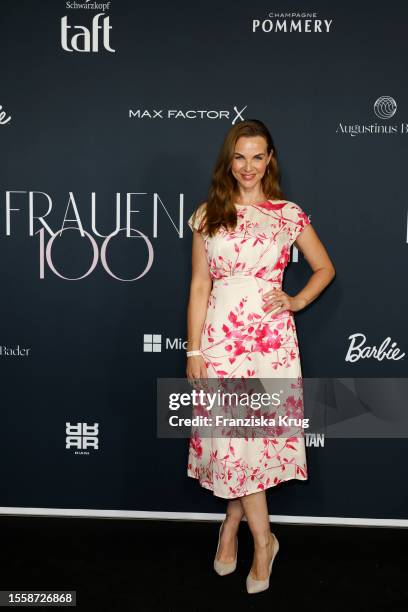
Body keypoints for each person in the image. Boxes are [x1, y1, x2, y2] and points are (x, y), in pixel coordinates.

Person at [186, 119, 335, 594]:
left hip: (271, 340)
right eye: (239, 156)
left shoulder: (288, 214)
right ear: (227, 161)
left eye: (257, 156)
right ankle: (260, 537)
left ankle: (239, 531)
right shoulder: (208, 213)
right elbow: (199, 286)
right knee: (234, 439)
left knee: (253, 441)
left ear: (269, 159)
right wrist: (194, 348)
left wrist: (297, 300)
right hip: (222, 339)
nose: (248, 166)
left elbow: (324, 268)